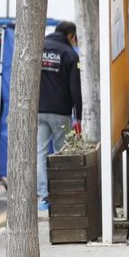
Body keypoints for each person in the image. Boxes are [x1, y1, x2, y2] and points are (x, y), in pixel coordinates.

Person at [37, 21, 82, 210]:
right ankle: (61, 192)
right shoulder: (70, 54)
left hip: (38, 110)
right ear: (70, 35)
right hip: (60, 111)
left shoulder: (39, 47)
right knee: (61, 152)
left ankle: (44, 196)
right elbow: (75, 88)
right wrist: (78, 114)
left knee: (40, 152)